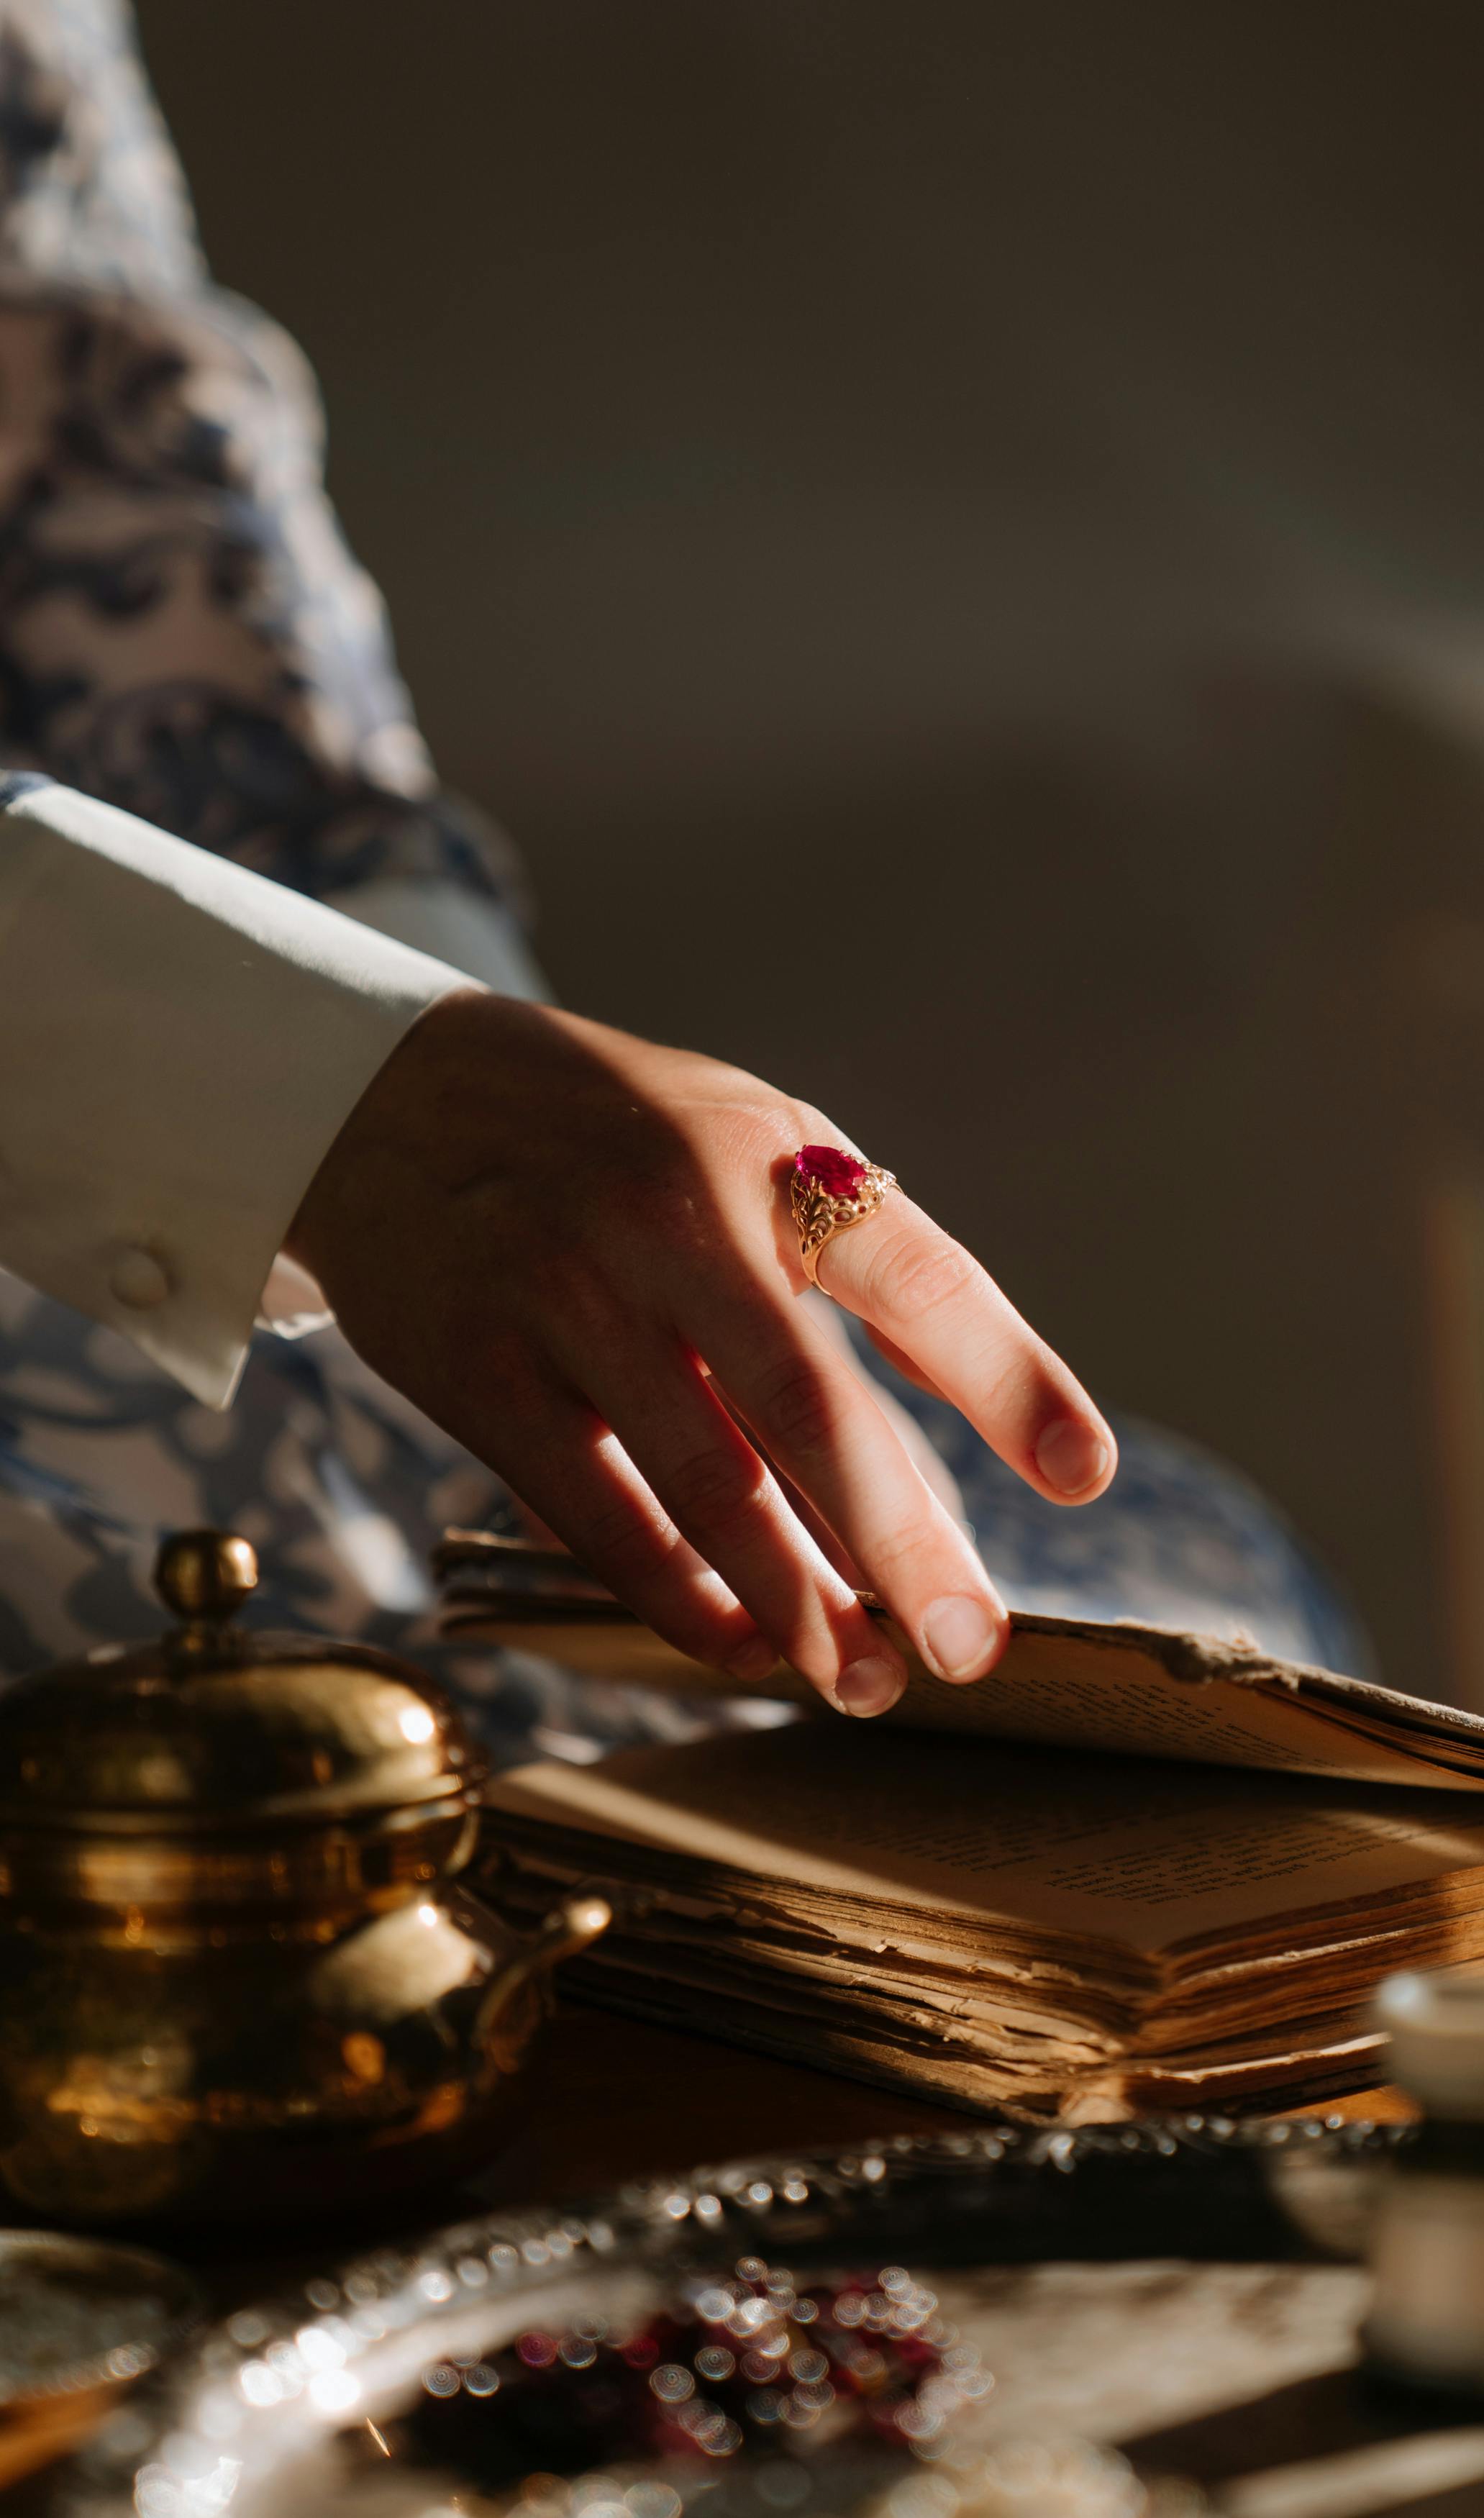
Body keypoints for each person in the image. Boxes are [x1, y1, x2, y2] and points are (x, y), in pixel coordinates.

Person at [0, 1, 1366, 1758]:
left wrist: (482, 1114)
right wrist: (322, 1098)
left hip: (218, 1125)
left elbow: (117, 433)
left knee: (1189, 1637)